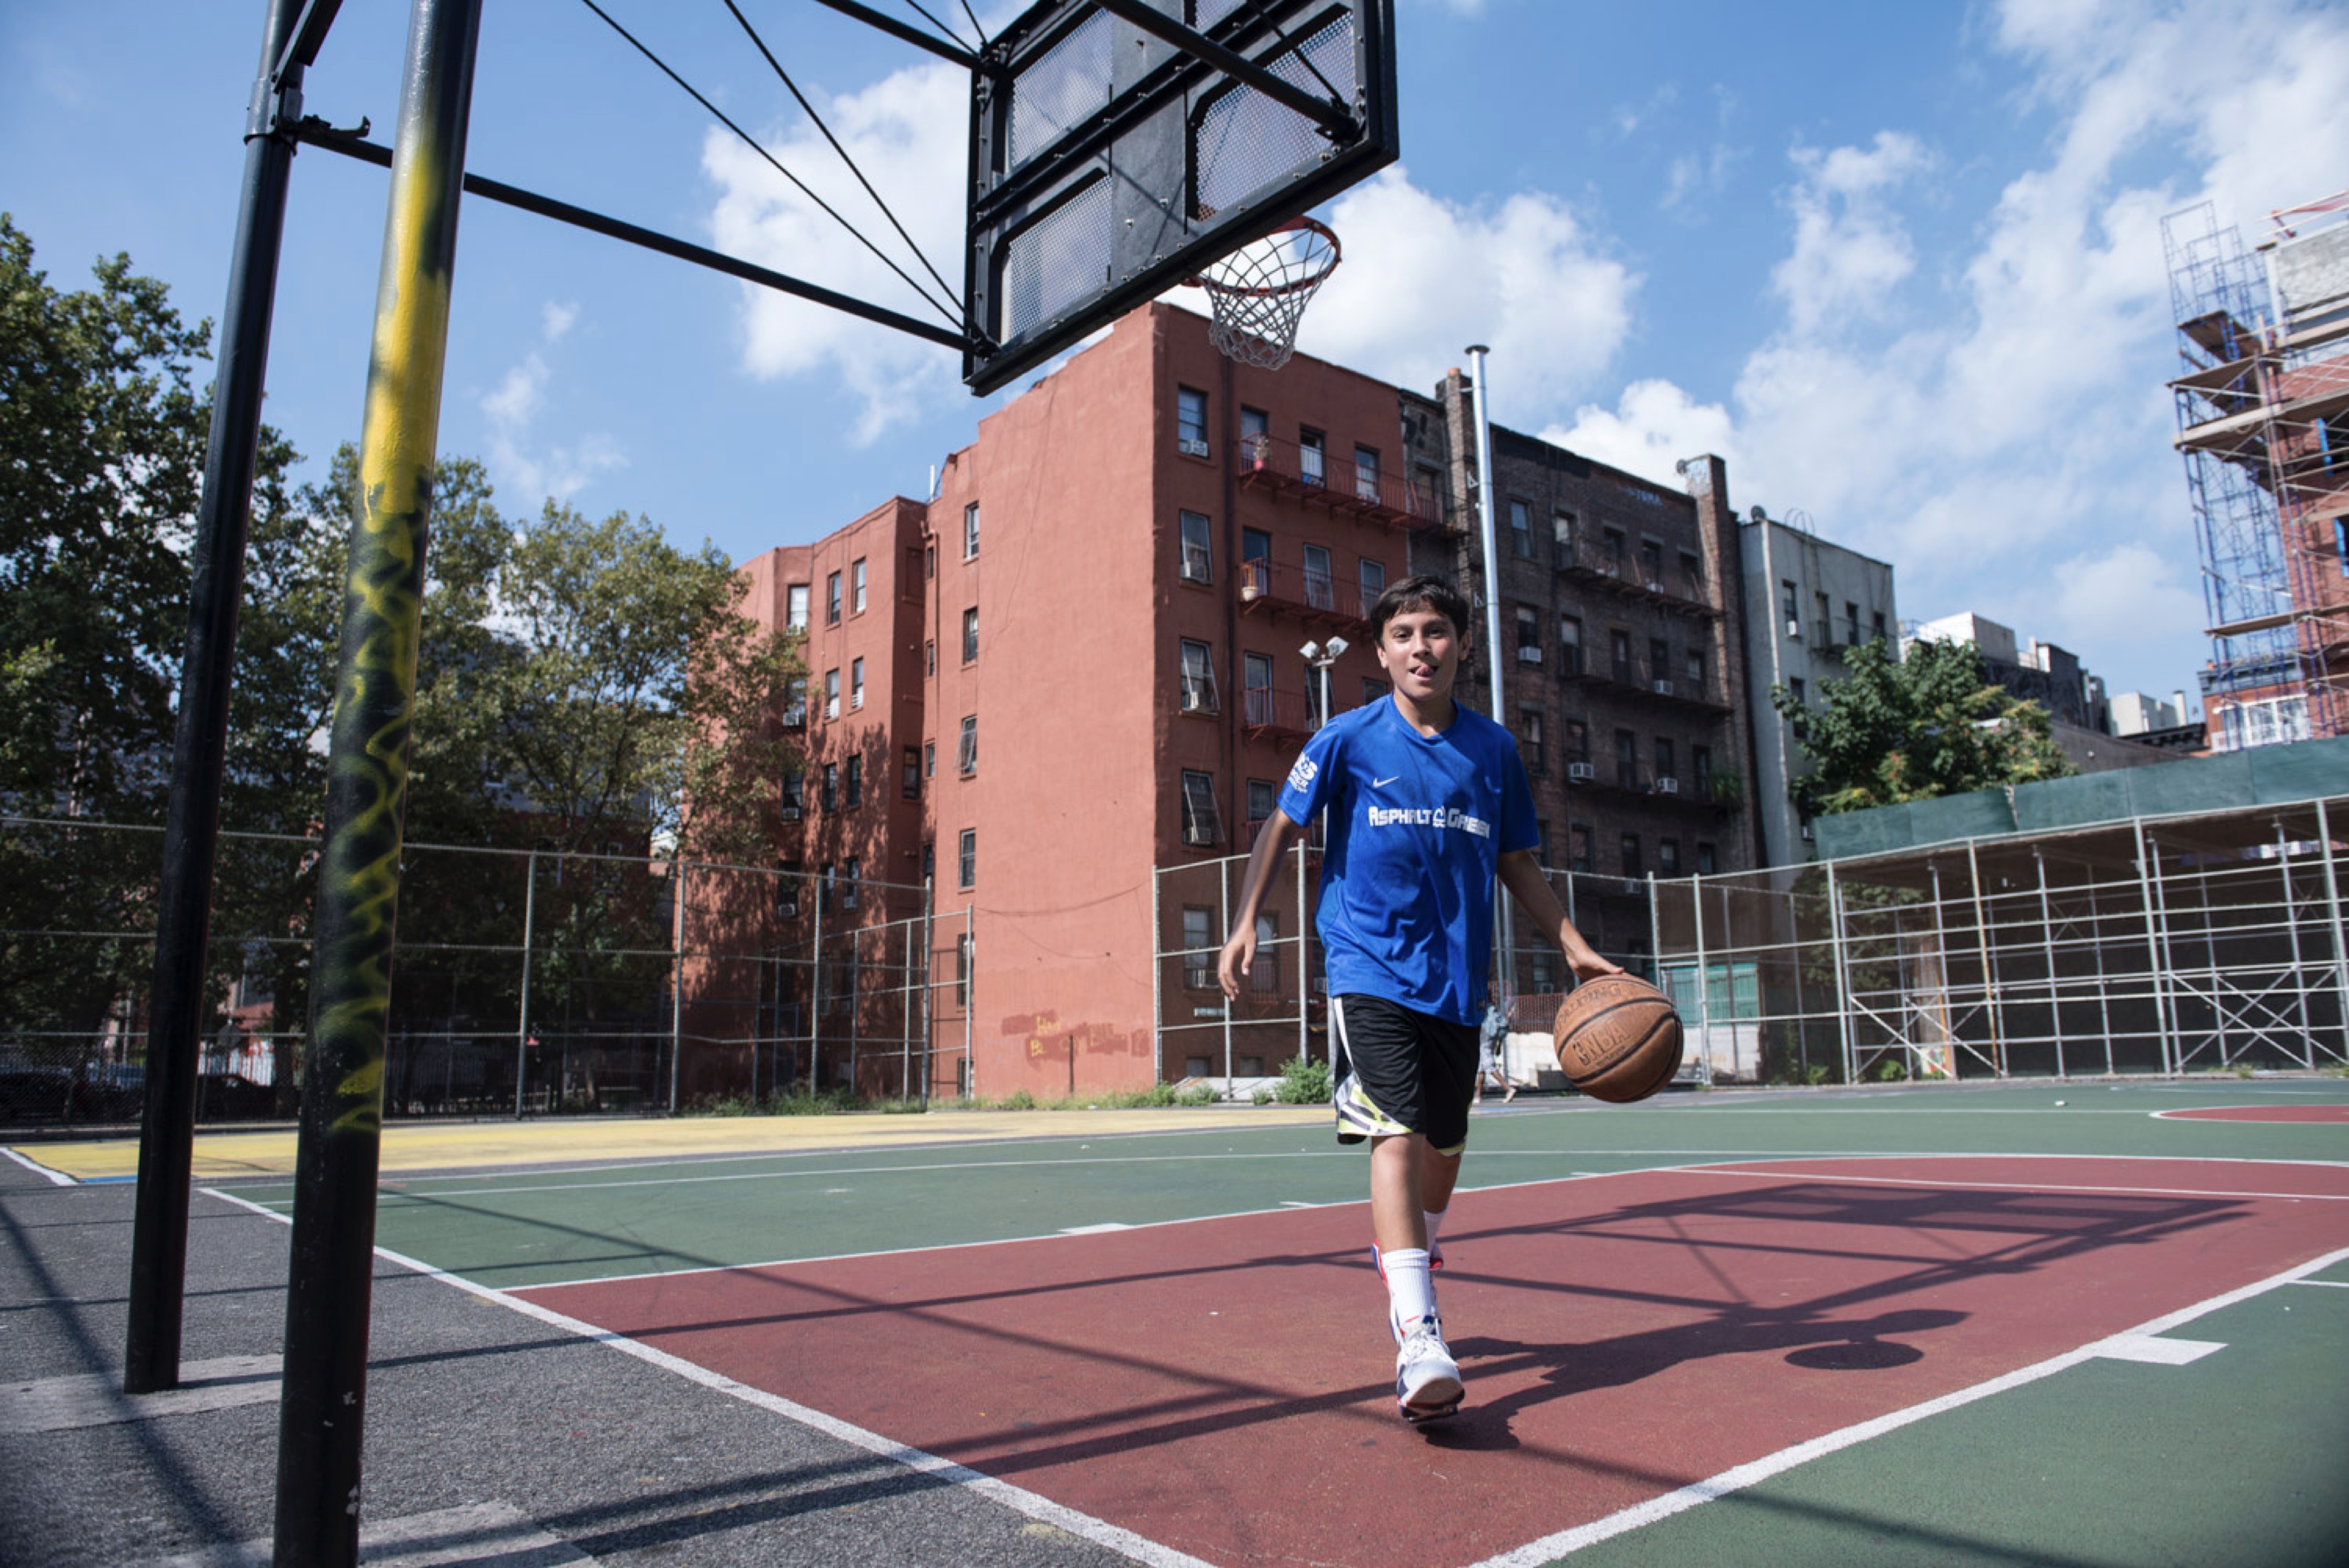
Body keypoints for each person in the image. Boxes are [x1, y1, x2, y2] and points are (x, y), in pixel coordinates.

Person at [1217, 573, 1619, 1424]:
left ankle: (1414, 1248)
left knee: (1446, 1141)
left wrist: (1576, 949)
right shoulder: (1345, 739)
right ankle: (1419, 1335)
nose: (1420, 648)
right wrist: (1245, 919)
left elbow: (1516, 862)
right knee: (1392, 1130)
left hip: (1454, 979)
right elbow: (1280, 826)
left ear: (1461, 644)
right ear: (1380, 650)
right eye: (1402, 633)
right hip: (1365, 962)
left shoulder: (1494, 751)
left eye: (1435, 631)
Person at [1475, 1002, 1516, 1104]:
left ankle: (1508, 1089)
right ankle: (1478, 1095)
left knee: (1490, 1067)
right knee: (1481, 1068)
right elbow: (1499, 1029)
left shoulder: (1481, 1006)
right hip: (1490, 1039)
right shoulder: (1493, 1010)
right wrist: (1499, 1046)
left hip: (1484, 1040)